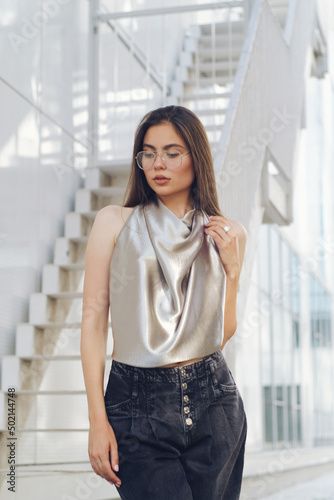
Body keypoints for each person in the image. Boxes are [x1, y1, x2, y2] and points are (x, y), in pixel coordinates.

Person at [80, 105, 247, 500]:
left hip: (214, 401)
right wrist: (96, 421)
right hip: (136, 401)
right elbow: (91, 325)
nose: (159, 164)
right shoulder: (114, 221)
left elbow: (218, 336)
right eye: (149, 153)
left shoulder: (227, 232)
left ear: (196, 157)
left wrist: (233, 274)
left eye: (173, 153)